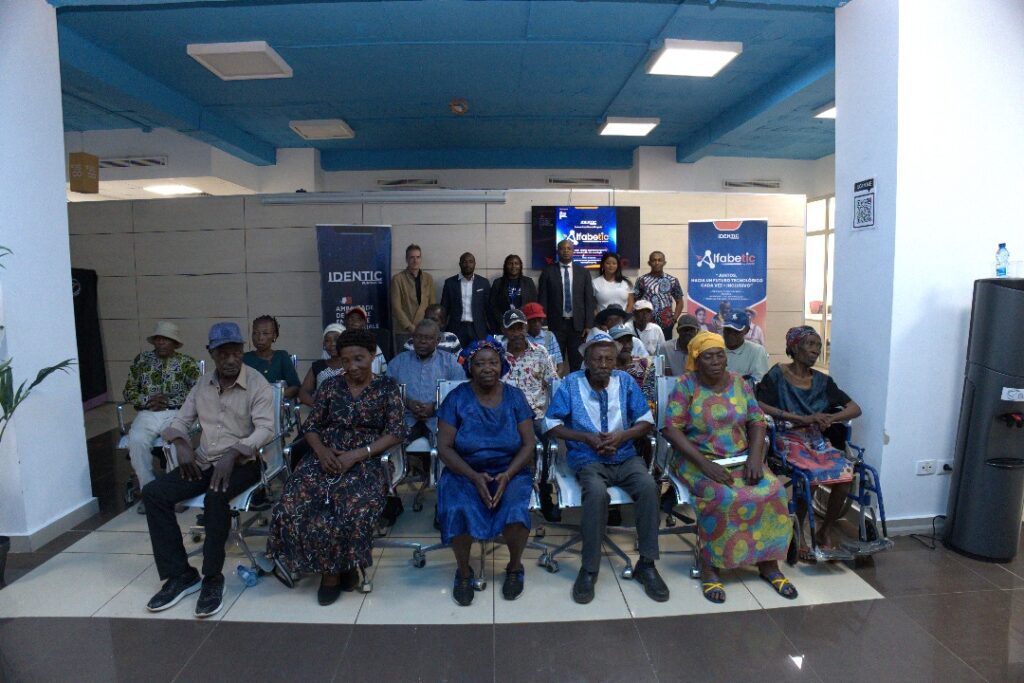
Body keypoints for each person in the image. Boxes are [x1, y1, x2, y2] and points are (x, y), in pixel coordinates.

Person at [141, 322, 274, 618]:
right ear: (211, 353)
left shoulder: (257, 383)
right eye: (223, 354)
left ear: (242, 351)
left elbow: (266, 429)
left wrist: (234, 452)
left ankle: (212, 578)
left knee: (215, 497)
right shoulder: (202, 385)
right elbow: (179, 422)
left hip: (244, 463)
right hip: (203, 460)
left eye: (236, 352)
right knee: (153, 494)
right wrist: (181, 443)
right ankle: (181, 575)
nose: (231, 360)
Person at [267, 330, 406, 606]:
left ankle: (333, 574)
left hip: (366, 460)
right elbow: (311, 427)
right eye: (346, 360)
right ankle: (337, 568)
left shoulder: (387, 387)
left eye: (359, 359)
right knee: (291, 504)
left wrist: (358, 454)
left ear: (372, 356)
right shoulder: (331, 386)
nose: (352, 366)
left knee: (349, 508)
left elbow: (397, 432)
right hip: (325, 456)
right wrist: (321, 452)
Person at [661, 332, 796, 605]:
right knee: (723, 496)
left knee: (773, 491)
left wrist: (755, 458)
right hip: (696, 459)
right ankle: (710, 565)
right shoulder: (686, 386)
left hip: (740, 457)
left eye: (719, 355)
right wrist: (705, 464)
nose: (715, 362)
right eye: (707, 357)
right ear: (696, 360)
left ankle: (768, 563)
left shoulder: (739, 383)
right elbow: (671, 429)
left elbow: (757, 420)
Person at [545, 332, 668, 605]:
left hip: (625, 455)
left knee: (649, 487)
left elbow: (645, 421)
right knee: (597, 493)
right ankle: (589, 569)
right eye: (598, 359)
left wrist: (622, 436)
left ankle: (647, 564)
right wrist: (585, 438)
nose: (603, 364)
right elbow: (551, 424)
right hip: (587, 458)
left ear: (615, 361)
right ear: (586, 360)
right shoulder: (570, 383)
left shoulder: (625, 382)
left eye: (609, 359)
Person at [436, 339, 536, 605]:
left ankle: (514, 567)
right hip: (464, 470)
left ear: (502, 364)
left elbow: (529, 444)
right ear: (470, 368)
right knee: (458, 507)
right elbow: (444, 447)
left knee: (515, 511)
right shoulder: (456, 398)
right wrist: (473, 476)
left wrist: (508, 475)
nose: (487, 368)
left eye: (493, 362)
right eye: (479, 363)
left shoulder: (515, 397)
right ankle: (464, 571)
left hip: (510, 470)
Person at [756, 325, 862, 560]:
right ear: (794, 347)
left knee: (846, 475)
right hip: (787, 437)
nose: (815, 350)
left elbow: (855, 409)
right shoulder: (777, 375)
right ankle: (799, 529)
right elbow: (759, 404)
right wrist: (799, 418)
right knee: (811, 474)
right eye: (810, 344)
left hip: (815, 439)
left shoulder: (823, 381)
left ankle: (825, 530)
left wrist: (830, 418)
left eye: (818, 346)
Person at [123, 321, 201, 513]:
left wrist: (169, 401)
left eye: (166, 339)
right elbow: (129, 391)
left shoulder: (186, 363)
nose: (161, 343)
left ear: (175, 343)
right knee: (136, 441)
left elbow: (199, 391)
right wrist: (147, 400)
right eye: (158, 339)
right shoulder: (142, 361)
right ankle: (150, 492)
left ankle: (175, 493)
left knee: (175, 444)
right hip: (148, 412)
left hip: (177, 412)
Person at [501, 308, 560, 521]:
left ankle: (545, 495)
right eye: (512, 329)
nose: (517, 333)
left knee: (546, 445)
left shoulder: (540, 352)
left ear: (526, 328)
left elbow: (553, 383)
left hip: (537, 416)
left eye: (520, 327)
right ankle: (506, 495)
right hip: (505, 418)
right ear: (504, 331)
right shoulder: (497, 354)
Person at [387, 318, 464, 440]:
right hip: (405, 422)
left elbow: (461, 395)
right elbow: (386, 392)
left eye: (428, 338)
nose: (422, 341)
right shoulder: (398, 362)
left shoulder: (450, 363)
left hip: (440, 423)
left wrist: (434, 408)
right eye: (418, 337)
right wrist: (407, 403)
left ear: (437, 341)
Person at [537, 239, 595, 372]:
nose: (566, 251)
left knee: (577, 363)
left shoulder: (583, 272)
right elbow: (543, 299)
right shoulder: (547, 272)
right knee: (554, 363)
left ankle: (576, 385)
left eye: (569, 248)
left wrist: (588, 325)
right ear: (558, 251)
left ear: (573, 251)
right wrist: (544, 323)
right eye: (563, 248)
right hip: (555, 325)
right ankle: (556, 385)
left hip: (578, 326)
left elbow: (589, 300)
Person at [391, 244, 436, 351]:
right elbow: (396, 308)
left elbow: (432, 305)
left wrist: (428, 326)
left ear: (421, 258)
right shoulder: (398, 279)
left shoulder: (428, 278)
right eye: (412, 257)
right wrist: (411, 327)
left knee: (425, 359)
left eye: (418, 257)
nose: (415, 260)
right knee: (404, 359)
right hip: (404, 330)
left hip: (425, 330)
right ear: (406, 259)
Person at [243, 315, 300, 399]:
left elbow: (295, 387)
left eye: (265, 333)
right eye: (255, 333)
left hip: (275, 404)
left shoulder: (281, 356)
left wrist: (273, 395)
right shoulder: (245, 358)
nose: (260, 338)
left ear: (274, 335)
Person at [440, 252, 490, 347]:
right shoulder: (450, 283)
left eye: (470, 262)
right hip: (456, 328)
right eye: (464, 262)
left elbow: (488, 308)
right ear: (460, 264)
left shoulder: (483, 283)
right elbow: (444, 308)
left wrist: (491, 329)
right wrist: (441, 330)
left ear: (475, 264)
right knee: (456, 354)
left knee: (478, 354)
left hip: (478, 328)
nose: (467, 264)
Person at [631, 251, 684, 340]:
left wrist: (674, 320)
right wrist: (637, 319)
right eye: (654, 260)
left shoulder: (672, 280)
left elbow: (680, 302)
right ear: (649, 263)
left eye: (660, 260)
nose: (657, 263)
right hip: (645, 324)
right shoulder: (641, 280)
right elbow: (634, 301)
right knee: (645, 347)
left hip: (666, 325)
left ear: (664, 262)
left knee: (665, 347)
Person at [298, 324, 346, 408]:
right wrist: (318, 406)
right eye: (327, 340)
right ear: (324, 344)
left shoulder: (353, 366)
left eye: (336, 339)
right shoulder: (318, 366)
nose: (332, 344)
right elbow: (304, 392)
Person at [487, 254, 537, 333]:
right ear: (505, 266)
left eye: (516, 263)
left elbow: (534, 304)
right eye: (510, 263)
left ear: (520, 266)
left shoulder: (528, 282)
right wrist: (503, 321)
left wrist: (528, 322)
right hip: (504, 326)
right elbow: (493, 306)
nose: (513, 266)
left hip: (524, 325)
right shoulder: (498, 283)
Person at [722, 311, 770, 383]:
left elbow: (759, 383)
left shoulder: (757, 351)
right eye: (727, 330)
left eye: (736, 331)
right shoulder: (715, 349)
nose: (731, 334)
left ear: (746, 330)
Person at [522, 302, 566, 377]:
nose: (537, 324)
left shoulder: (549, 336)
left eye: (539, 320)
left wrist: (553, 380)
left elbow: (560, 366)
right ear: (526, 322)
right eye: (533, 321)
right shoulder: (522, 339)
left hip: (548, 378)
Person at [343, 307, 388, 375]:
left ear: (364, 323)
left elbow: (384, 372)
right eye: (351, 318)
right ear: (346, 322)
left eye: (359, 319)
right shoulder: (338, 345)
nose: (355, 321)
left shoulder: (373, 346)